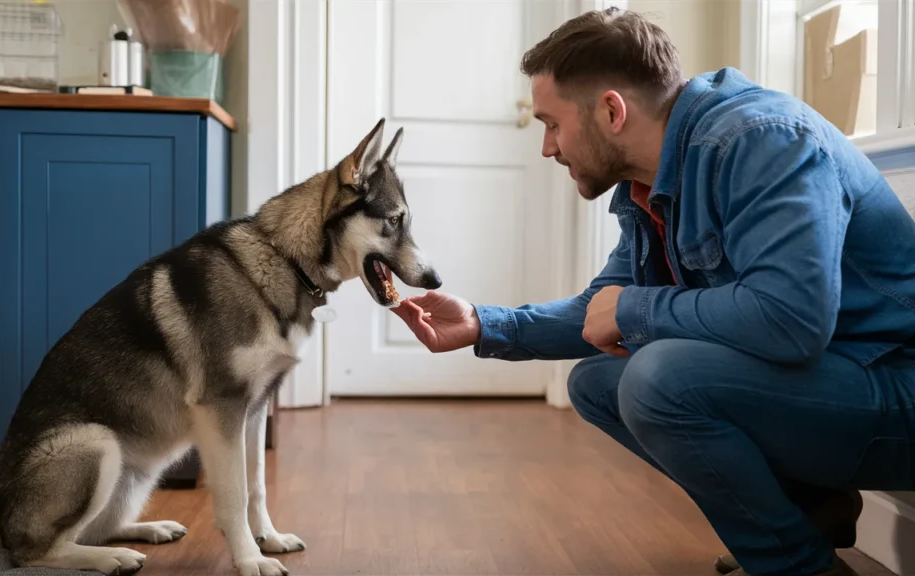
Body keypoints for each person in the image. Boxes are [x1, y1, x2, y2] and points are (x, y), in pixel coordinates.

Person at [390, 7, 915, 576]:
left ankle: (797, 568)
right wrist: (485, 322)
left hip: (895, 388)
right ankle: (809, 515)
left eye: (552, 123)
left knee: (658, 377)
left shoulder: (762, 140)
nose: (547, 147)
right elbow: (600, 310)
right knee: (595, 382)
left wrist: (637, 308)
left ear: (611, 110)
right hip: (836, 391)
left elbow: (789, 320)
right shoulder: (651, 182)